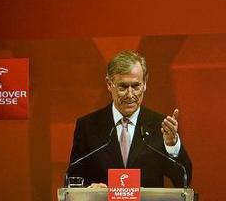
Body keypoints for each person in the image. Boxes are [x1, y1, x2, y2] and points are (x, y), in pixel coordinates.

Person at [67, 50, 192, 188]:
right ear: (109, 84)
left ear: (145, 83)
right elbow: (72, 181)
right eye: (123, 87)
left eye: (136, 86)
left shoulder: (160, 126)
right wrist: (89, 190)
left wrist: (172, 145)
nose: (130, 94)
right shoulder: (88, 126)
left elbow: (182, 180)